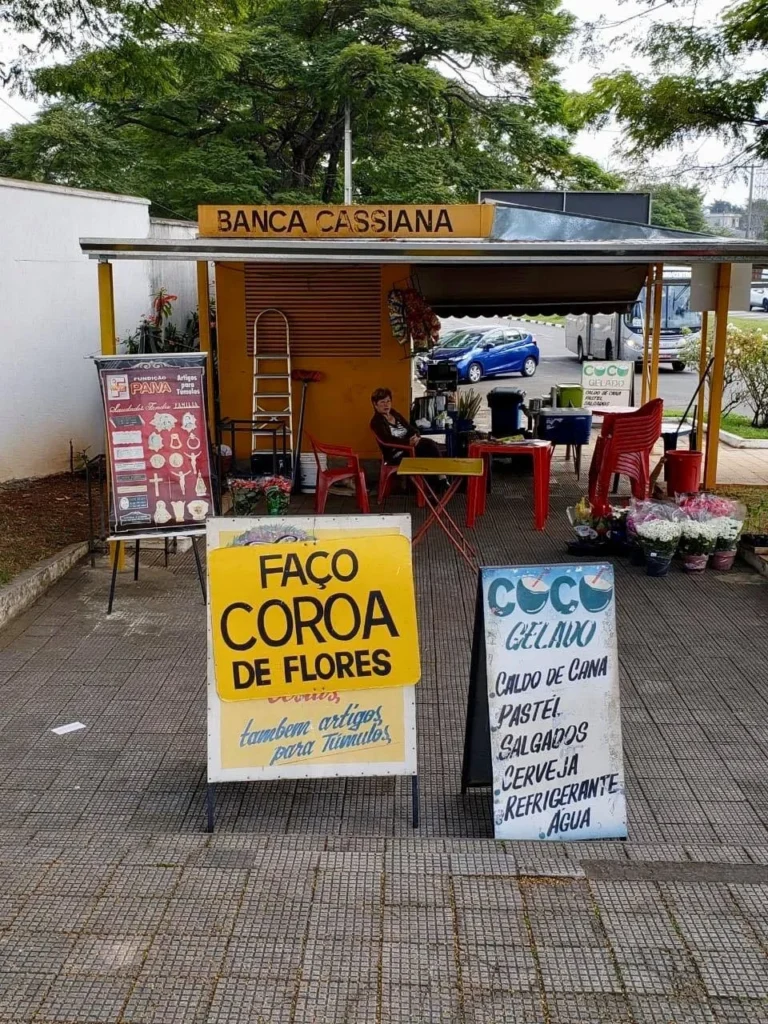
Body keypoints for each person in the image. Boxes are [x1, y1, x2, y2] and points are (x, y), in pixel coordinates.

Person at [370, 387, 442, 464]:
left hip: (409, 447)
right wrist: (408, 442)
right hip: (396, 454)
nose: (386, 405)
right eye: (382, 402)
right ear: (375, 404)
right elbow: (387, 439)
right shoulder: (376, 421)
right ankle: (438, 474)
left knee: (430, 444)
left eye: (388, 401)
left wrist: (416, 437)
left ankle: (440, 474)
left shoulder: (395, 414)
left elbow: (410, 428)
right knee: (426, 450)